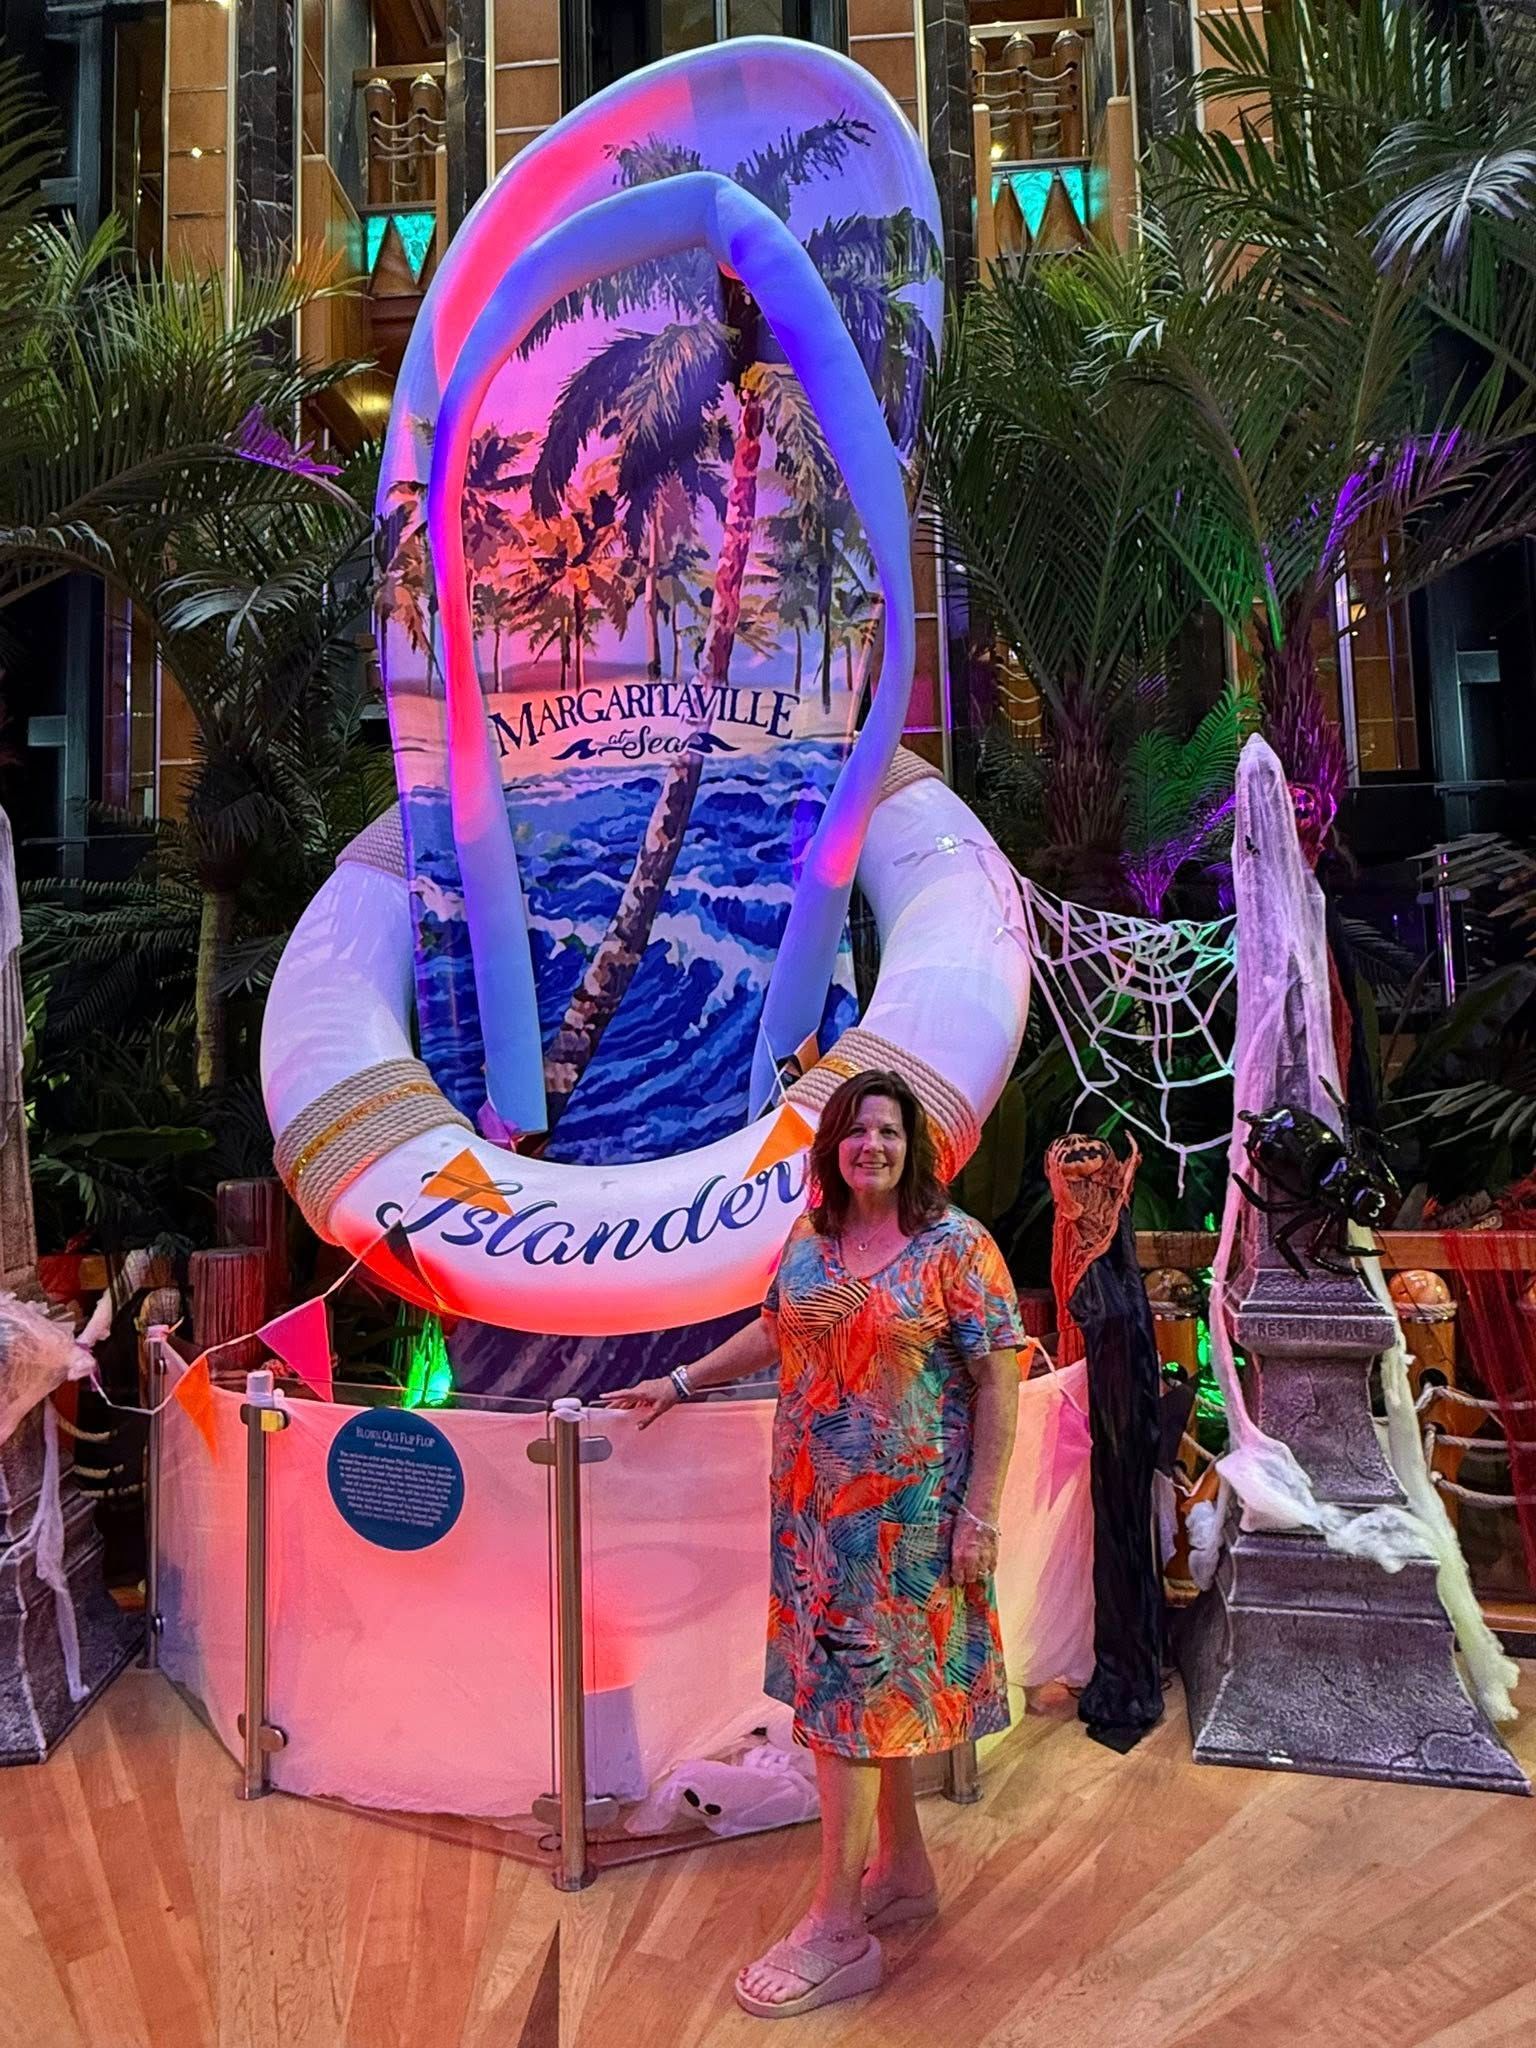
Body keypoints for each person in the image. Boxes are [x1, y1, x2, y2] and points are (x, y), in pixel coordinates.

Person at [601, 1068, 1023, 2020]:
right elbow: (776, 1331)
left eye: (890, 1132)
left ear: (912, 1148)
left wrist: (982, 1514)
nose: (872, 1145)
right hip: (813, 1526)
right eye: (857, 1131)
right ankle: (903, 1873)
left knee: (849, 1715)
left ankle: (839, 1929)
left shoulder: (958, 1250)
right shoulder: (811, 1239)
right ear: (832, 1146)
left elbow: (999, 1386)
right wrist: (680, 1380)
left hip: (905, 1531)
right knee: (856, 1710)